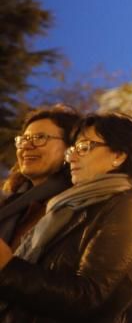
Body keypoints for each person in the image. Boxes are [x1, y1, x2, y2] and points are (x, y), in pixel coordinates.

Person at [0, 111, 132, 323]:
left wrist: (8, 268)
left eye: (84, 147)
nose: (71, 156)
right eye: (73, 148)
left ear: (118, 155)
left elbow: (89, 296)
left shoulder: (126, 210)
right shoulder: (68, 206)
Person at [0, 105, 80, 247]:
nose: (26, 146)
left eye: (40, 137)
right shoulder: (13, 202)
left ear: (71, 147)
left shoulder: (75, 207)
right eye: (23, 139)